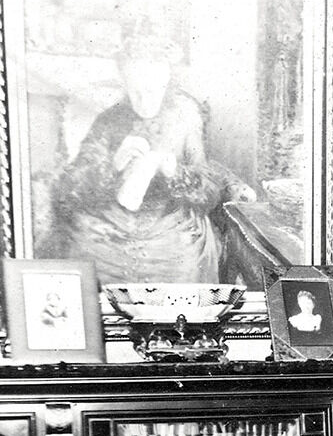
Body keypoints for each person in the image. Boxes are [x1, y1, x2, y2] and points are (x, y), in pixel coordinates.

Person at [47, 29, 255, 282]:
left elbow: (207, 185)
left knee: (185, 257)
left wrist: (174, 172)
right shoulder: (110, 120)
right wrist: (114, 164)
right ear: (125, 85)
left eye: (153, 91)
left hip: (170, 218)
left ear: (166, 85)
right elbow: (71, 186)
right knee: (81, 245)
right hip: (112, 219)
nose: (145, 101)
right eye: (136, 92)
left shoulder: (185, 117)